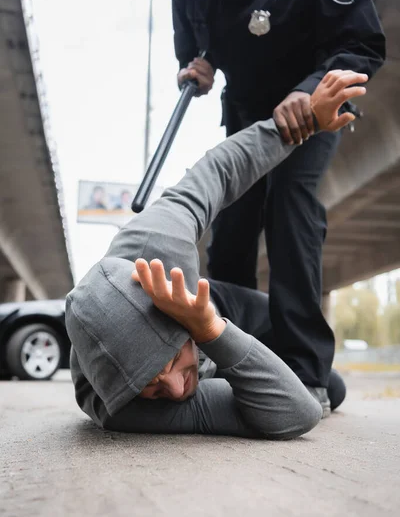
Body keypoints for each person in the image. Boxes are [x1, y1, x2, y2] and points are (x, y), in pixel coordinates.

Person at [65, 70, 367, 438]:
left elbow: (220, 171)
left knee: (316, 369)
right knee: (331, 391)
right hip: (208, 327)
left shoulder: (158, 239)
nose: (177, 391)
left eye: (173, 358)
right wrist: (208, 331)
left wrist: (302, 124)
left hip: (218, 303)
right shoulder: (120, 407)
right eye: (151, 383)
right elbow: (296, 411)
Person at [171, 0, 385, 405]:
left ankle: (307, 372)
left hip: (315, 107)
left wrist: (308, 92)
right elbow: (195, 45)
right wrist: (198, 67)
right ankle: (231, 355)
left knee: (290, 204)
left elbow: (364, 43)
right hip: (246, 110)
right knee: (230, 225)